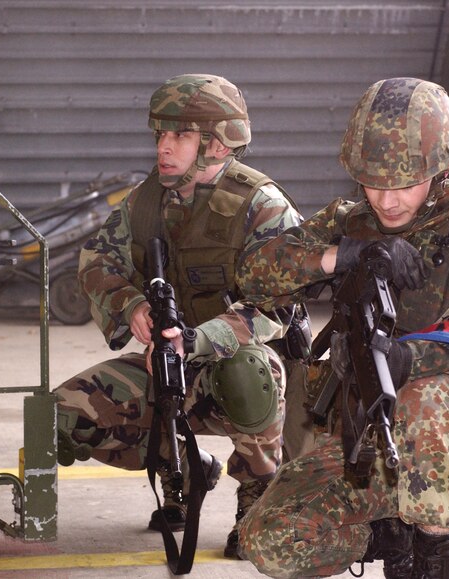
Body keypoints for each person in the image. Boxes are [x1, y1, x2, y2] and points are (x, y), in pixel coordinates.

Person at [234, 77, 449, 578]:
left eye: (404, 184)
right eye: (374, 183)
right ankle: (395, 535)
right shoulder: (347, 223)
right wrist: (344, 255)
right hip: (371, 440)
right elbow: (253, 274)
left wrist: (400, 358)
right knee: (269, 538)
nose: (387, 200)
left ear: (440, 171)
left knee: (425, 397)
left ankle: (435, 548)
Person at [53, 73, 305, 557]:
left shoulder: (262, 205)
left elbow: (276, 305)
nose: (163, 147)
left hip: (247, 367)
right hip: (168, 362)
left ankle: (258, 500)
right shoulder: (148, 200)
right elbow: (96, 262)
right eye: (160, 134)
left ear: (217, 144)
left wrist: (194, 340)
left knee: (247, 372)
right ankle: (187, 470)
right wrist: (132, 305)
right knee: (61, 417)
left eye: (181, 135)